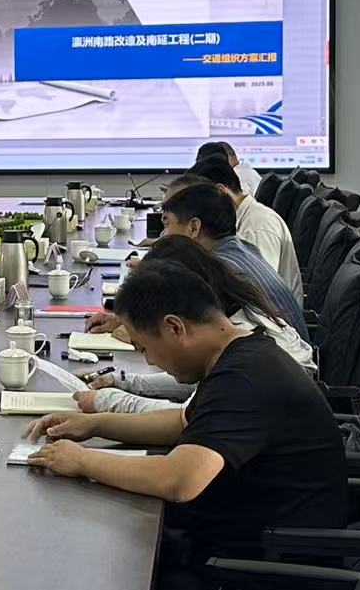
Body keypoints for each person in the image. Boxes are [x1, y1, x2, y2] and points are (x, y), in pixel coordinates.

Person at [26, 260, 347, 590]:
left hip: (259, 579)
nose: (151, 361)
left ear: (175, 327)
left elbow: (180, 479)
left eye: (146, 348)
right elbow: (180, 423)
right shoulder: (243, 352)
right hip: (246, 544)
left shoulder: (244, 378)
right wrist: (94, 424)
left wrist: (83, 461)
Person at [74, 235, 314, 415]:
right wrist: (122, 380)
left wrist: (107, 401)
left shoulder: (243, 343)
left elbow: (186, 417)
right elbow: (201, 387)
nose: (149, 360)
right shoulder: (230, 316)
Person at [160, 182, 308, 342]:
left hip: (281, 352)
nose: (163, 235)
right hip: (291, 349)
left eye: (166, 224)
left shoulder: (216, 270)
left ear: (194, 228)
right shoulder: (243, 248)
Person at [190, 152, 302, 300]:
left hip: (271, 311)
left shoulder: (257, 226)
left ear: (220, 191)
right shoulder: (240, 218)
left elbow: (259, 293)